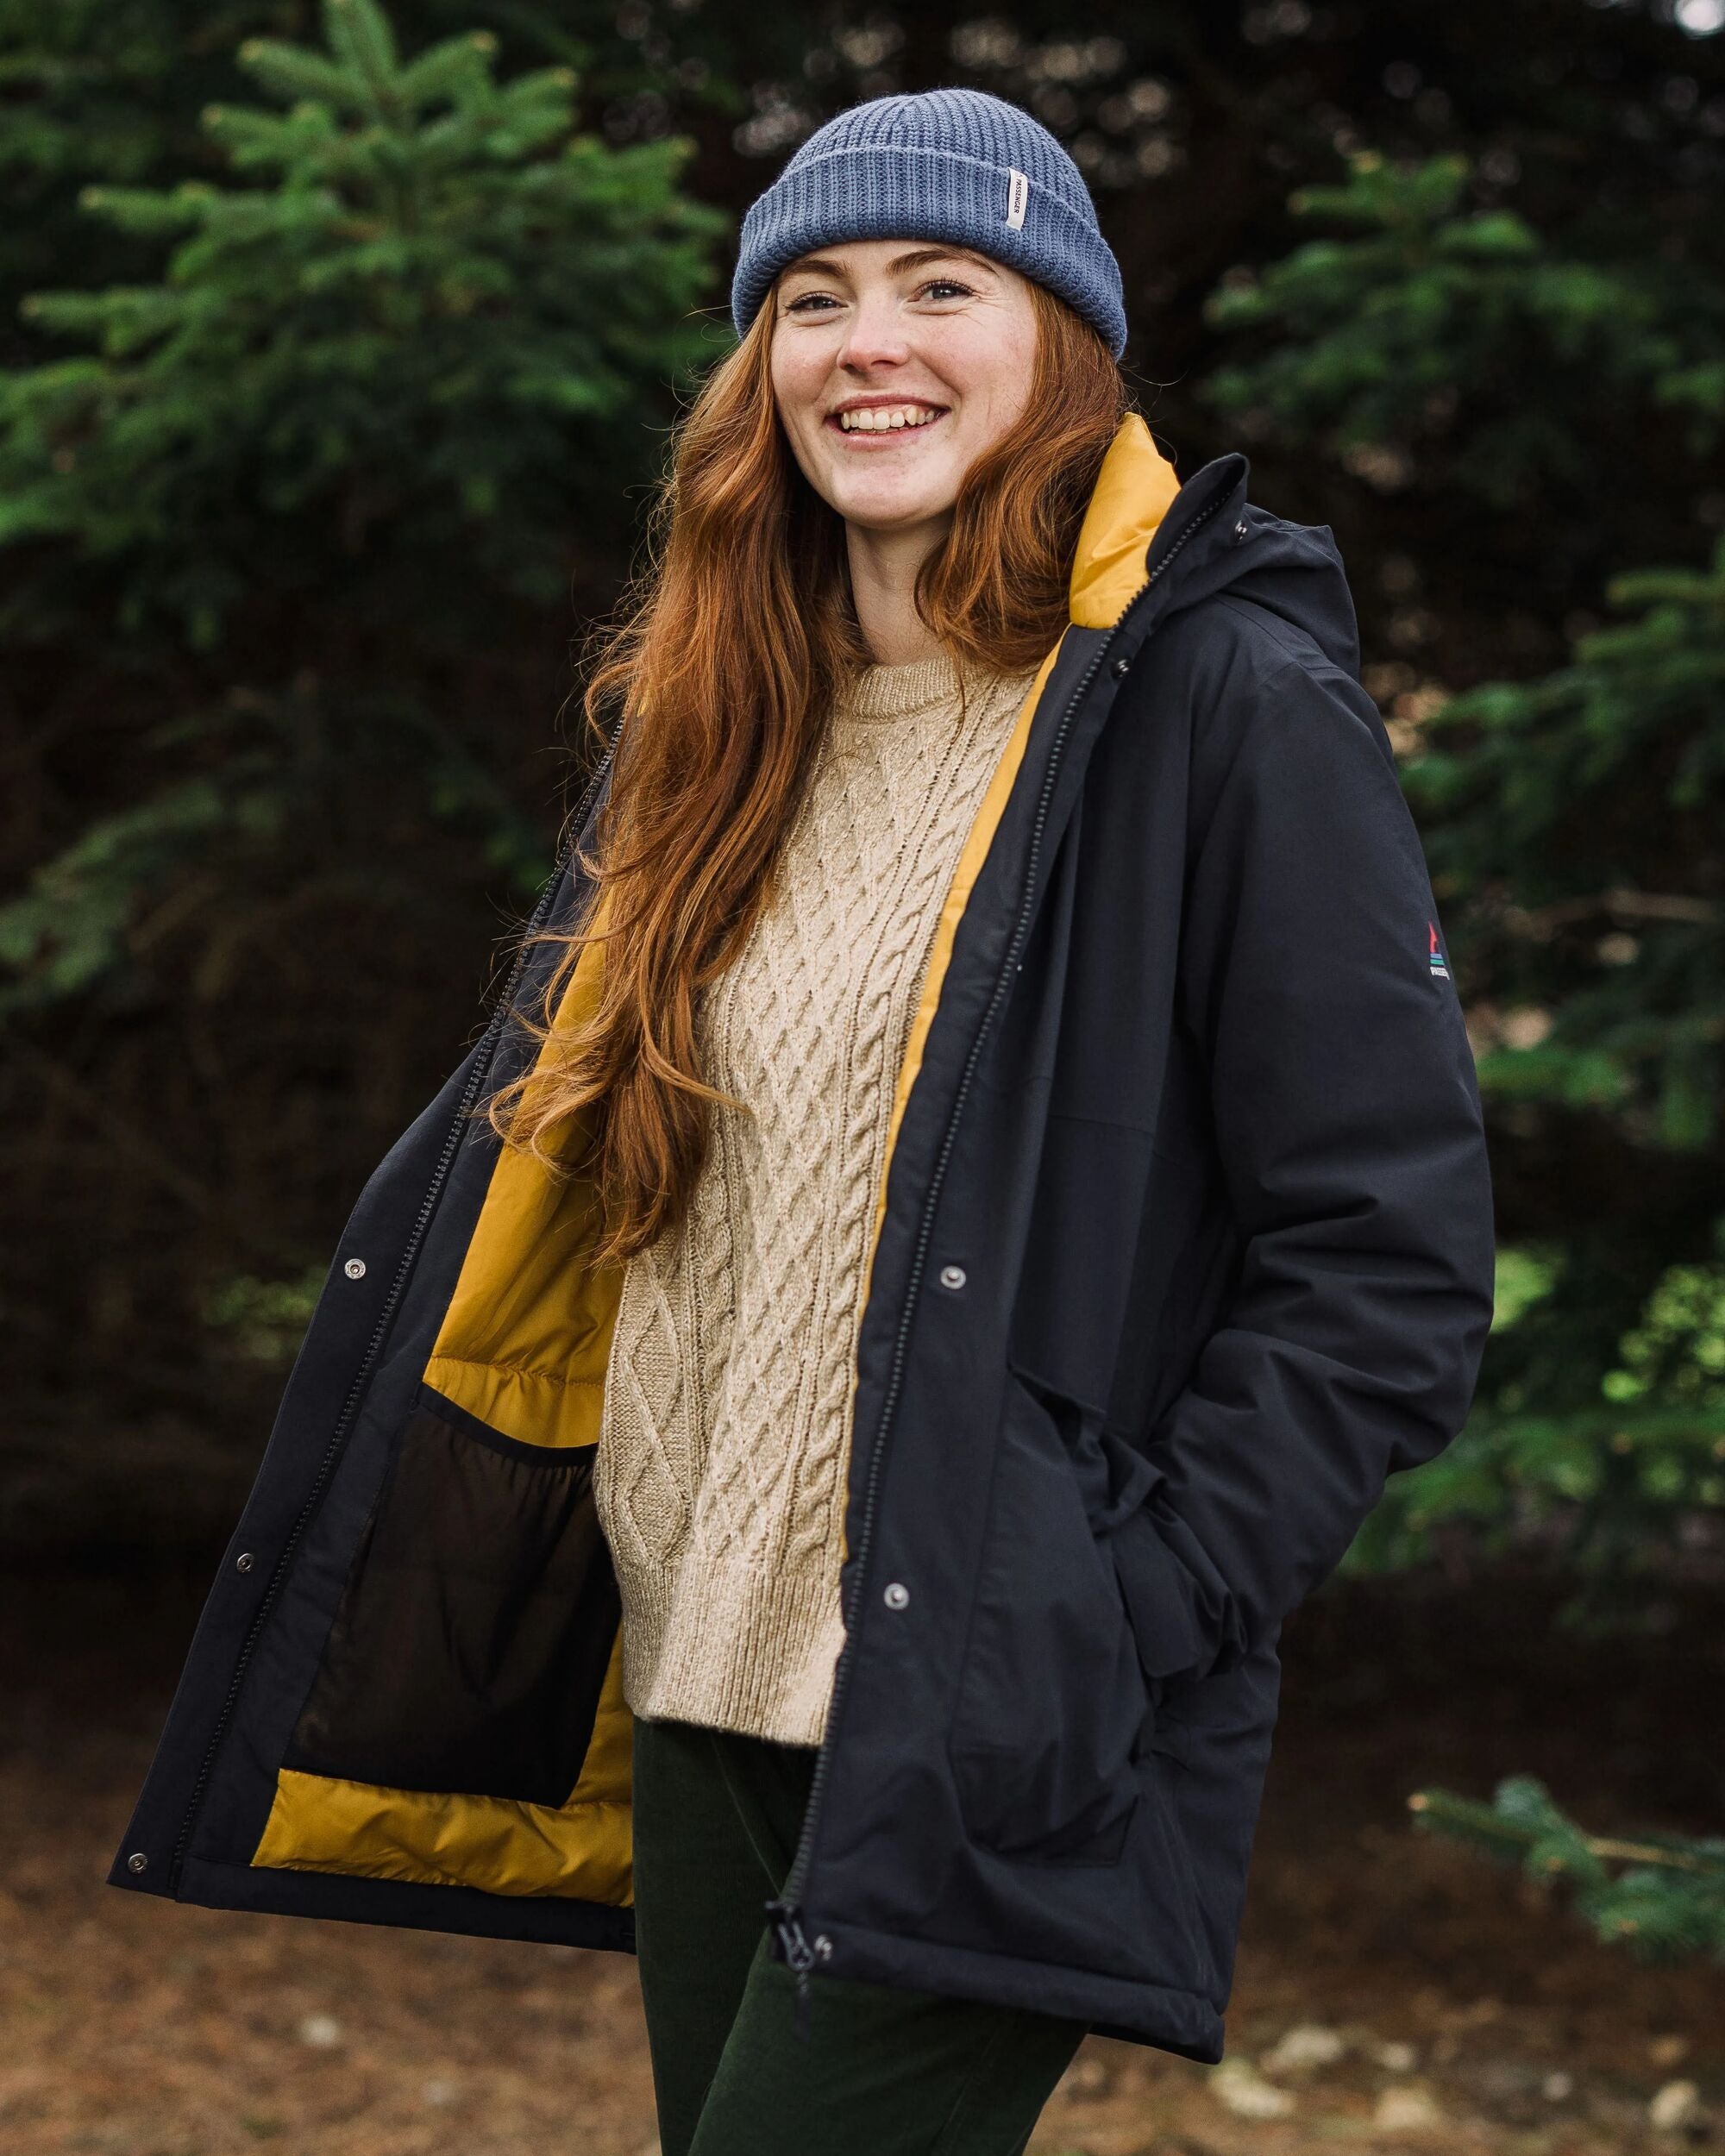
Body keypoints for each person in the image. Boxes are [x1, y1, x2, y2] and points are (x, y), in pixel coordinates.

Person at [110, 86, 1496, 2156]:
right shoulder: (723, 722)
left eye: (944, 286)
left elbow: (1388, 1259)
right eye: (816, 297)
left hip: (981, 1709)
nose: (871, 344)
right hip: (691, 1679)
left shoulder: (1220, 709)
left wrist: (1121, 1609)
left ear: (1064, 345)